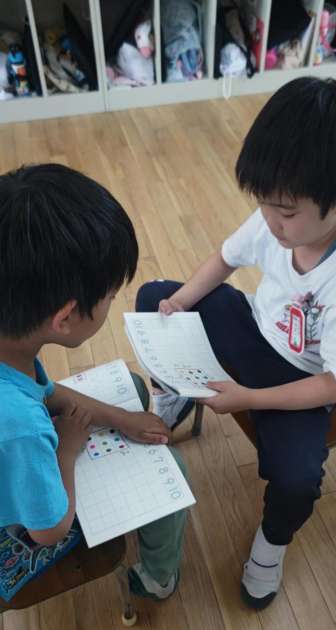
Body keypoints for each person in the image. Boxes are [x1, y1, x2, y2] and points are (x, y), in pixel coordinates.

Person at [136, 77, 336, 609]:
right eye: (264, 204)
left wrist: (247, 399)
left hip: (303, 383)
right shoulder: (283, 205)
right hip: (254, 329)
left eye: (286, 213)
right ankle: (177, 391)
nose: (271, 221)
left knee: (298, 481)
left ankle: (270, 550)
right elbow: (226, 259)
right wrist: (180, 302)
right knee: (155, 298)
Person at [0, 163, 186, 601]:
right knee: (173, 470)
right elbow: (49, 529)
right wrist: (67, 449)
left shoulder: (12, 349)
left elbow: (44, 390)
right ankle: (158, 579)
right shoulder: (21, 425)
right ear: (65, 318)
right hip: (23, 523)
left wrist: (120, 417)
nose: (111, 302)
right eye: (109, 296)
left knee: (133, 391)